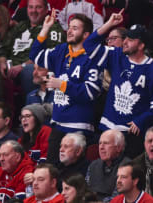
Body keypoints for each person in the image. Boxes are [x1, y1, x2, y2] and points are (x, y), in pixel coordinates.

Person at [83, 11, 153, 159]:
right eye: (126, 38)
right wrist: (109, 23)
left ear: (141, 45)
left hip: (130, 133)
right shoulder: (117, 55)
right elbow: (89, 44)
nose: (125, 42)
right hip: (107, 128)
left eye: (131, 39)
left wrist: (141, 120)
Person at [30, 11, 102, 165]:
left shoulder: (93, 57)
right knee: (51, 170)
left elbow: (90, 92)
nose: (69, 31)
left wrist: (61, 85)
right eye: (69, 27)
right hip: (57, 123)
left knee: (70, 176)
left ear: (85, 35)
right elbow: (35, 55)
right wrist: (45, 28)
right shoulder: (62, 50)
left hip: (78, 126)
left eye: (75, 28)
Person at [0, 0, 65, 95]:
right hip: (11, 68)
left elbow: (52, 54)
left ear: (46, 10)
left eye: (38, 7)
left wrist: (22, 66)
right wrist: (2, 62)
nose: (34, 10)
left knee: (29, 71)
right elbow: (3, 48)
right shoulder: (20, 26)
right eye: (31, 7)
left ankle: (32, 104)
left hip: (32, 68)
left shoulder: (52, 27)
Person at [86, 129, 130, 202]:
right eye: (100, 143)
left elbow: (118, 198)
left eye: (106, 143)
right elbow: (85, 192)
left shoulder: (128, 167)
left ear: (118, 148)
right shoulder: (93, 165)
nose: (101, 147)